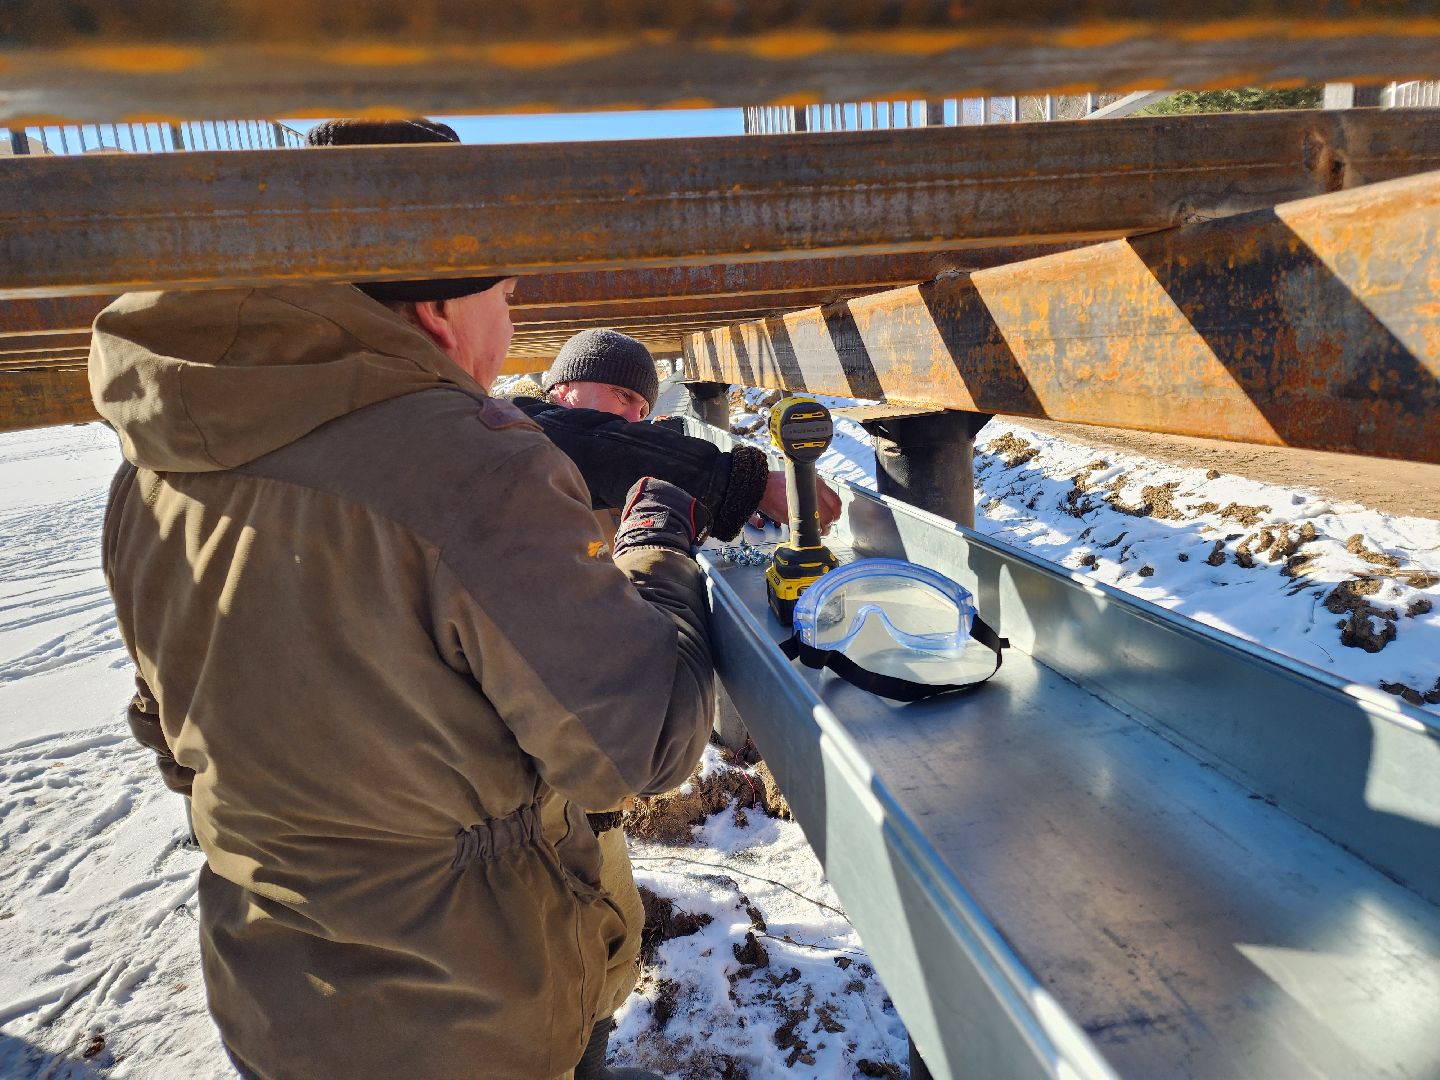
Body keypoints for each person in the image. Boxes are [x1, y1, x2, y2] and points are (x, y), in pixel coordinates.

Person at [93, 248, 714, 1074]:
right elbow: (640, 748)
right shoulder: (473, 465)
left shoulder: (149, 472)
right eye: (506, 295)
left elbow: (171, 735)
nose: (514, 321)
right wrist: (657, 554)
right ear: (441, 309)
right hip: (476, 1011)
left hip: (271, 998)